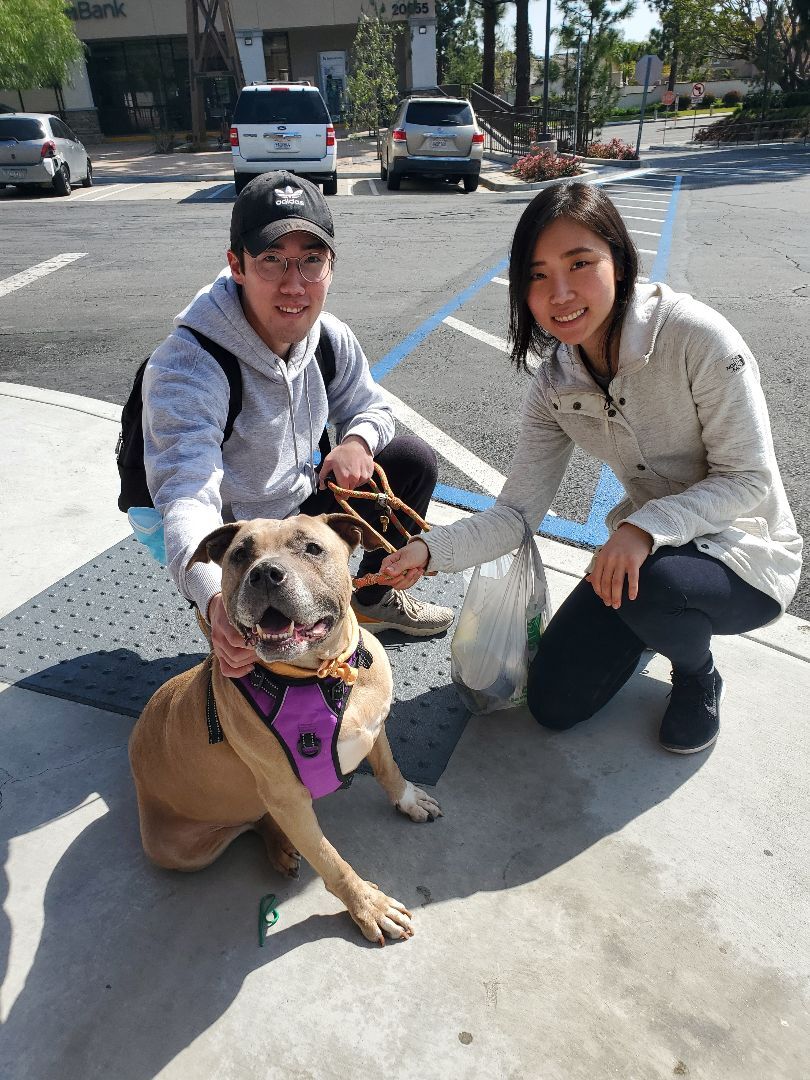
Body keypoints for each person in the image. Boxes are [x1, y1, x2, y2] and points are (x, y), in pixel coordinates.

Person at [381, 182, 802, 754]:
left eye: (580, 263)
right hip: (648, 555)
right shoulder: (555, 384)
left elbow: (747, 478)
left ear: (619, 262)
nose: (560, 293)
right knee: (553, 704)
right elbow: (516, 514)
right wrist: (429, 551)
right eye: (537, 275)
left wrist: (642, 528)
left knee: (655, 589)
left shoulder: (696, 337)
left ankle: (697, 672)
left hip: (746, 553)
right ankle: (654, 619)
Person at [143, 170, 453, 678]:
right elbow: (186, 495)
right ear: (237, 265)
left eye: (311, 260)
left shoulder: (328, 336)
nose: (294, 285)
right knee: (262, 671)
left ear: (330, 266)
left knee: (410, 459)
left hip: (299, 507)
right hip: (236, 534)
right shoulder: (188, 367)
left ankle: (373, 600)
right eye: (272, 259)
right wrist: (213, 598)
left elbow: (373, 406)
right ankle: (244, 612)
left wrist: (357, 441)